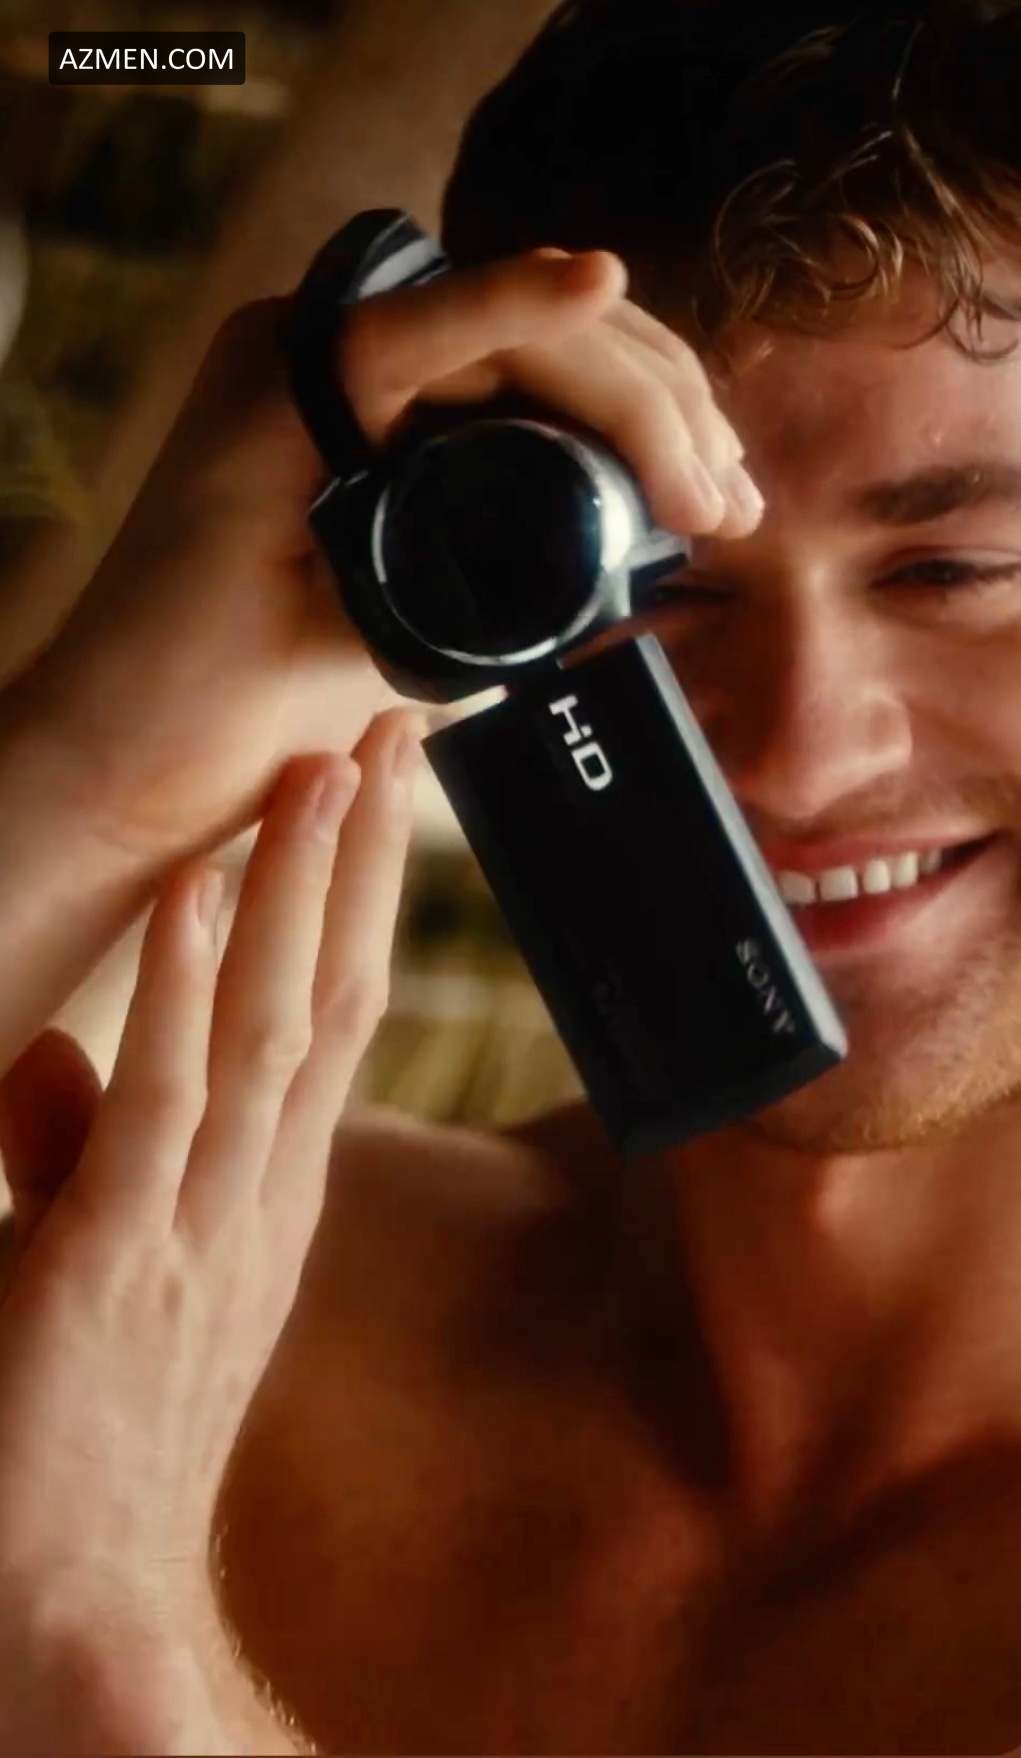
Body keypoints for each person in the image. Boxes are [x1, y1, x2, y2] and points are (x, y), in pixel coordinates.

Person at [1, 0, 1020, 1750]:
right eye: (660, 588)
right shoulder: (202, 1296)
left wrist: (102, 1620)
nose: (800, 750)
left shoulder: (121, 1406)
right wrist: (90, 771)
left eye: (956, 570)